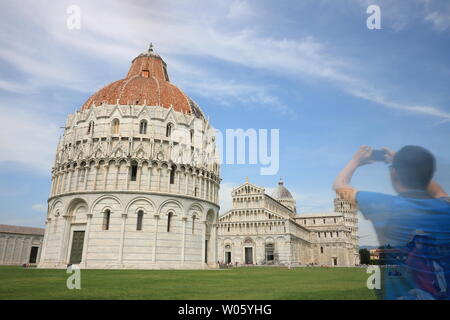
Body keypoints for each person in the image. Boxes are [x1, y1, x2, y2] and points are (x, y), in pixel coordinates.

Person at [333, 145, 450, 300]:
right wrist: (404, 164)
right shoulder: (445, 209)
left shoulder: (383, 205)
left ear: (394, 173)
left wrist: (355, 161)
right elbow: (440, 193)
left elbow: (339, 185)